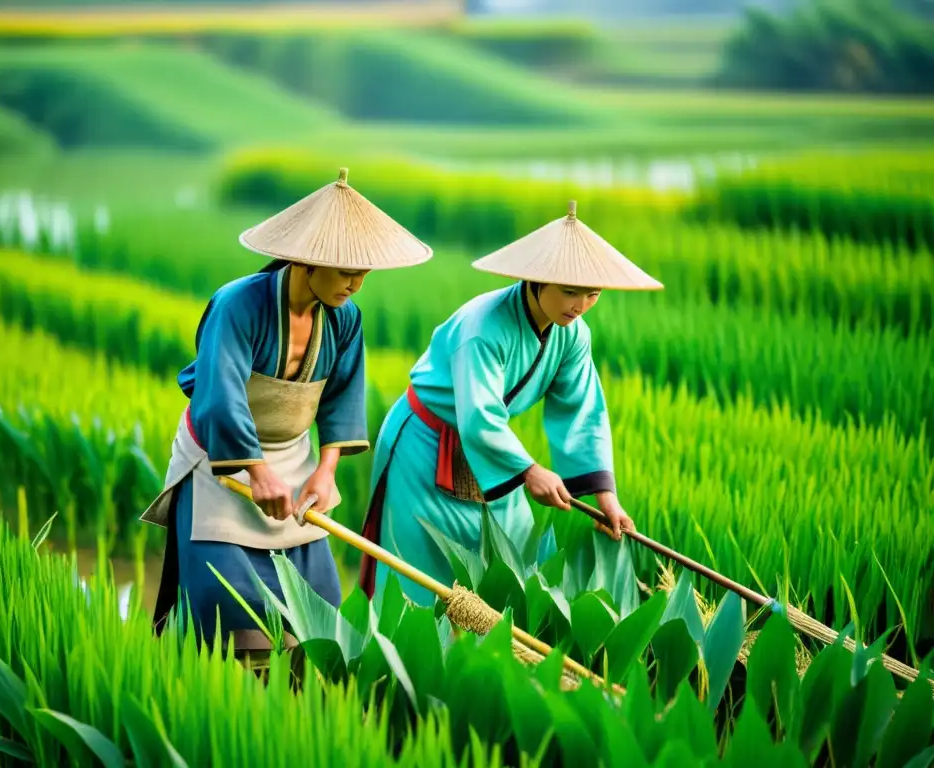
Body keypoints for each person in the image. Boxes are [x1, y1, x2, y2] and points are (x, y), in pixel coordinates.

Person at [141, 167, 432, 662]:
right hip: (223, 462)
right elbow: (220, 394)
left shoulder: (345, 319)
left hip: (294, 465)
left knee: (312, 621)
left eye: (364, 273)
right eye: (346, 272)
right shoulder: (238, 305)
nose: (356, 285)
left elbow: (342, 397)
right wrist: (255, 471)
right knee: (229, 612)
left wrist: (326, 470)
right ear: (306, 261)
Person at [358, 200, 663, 606]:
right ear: (536, 280)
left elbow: (581, 411)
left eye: (593, 294)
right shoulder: (484, 329)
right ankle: (405, 664)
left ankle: (497, 658)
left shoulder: (572, 335)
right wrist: (529, 470)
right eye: (570, 292)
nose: (581, 305)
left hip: (489, 451)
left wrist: (605, 496)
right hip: (425, 446)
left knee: (516, 557)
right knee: (421, 571)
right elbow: (480, 416)